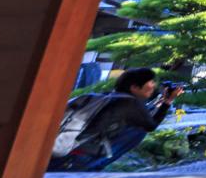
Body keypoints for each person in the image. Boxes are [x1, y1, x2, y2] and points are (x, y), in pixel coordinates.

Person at [49, 67, 183, 172]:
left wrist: (160, 102)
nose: (153, 86)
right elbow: (150, 125)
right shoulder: (131, 104)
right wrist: (168, 101)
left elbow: (140, 115)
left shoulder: (107, 96)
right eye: (150, 82)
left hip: (65, 149)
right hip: (82, 157)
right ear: (134, 87)